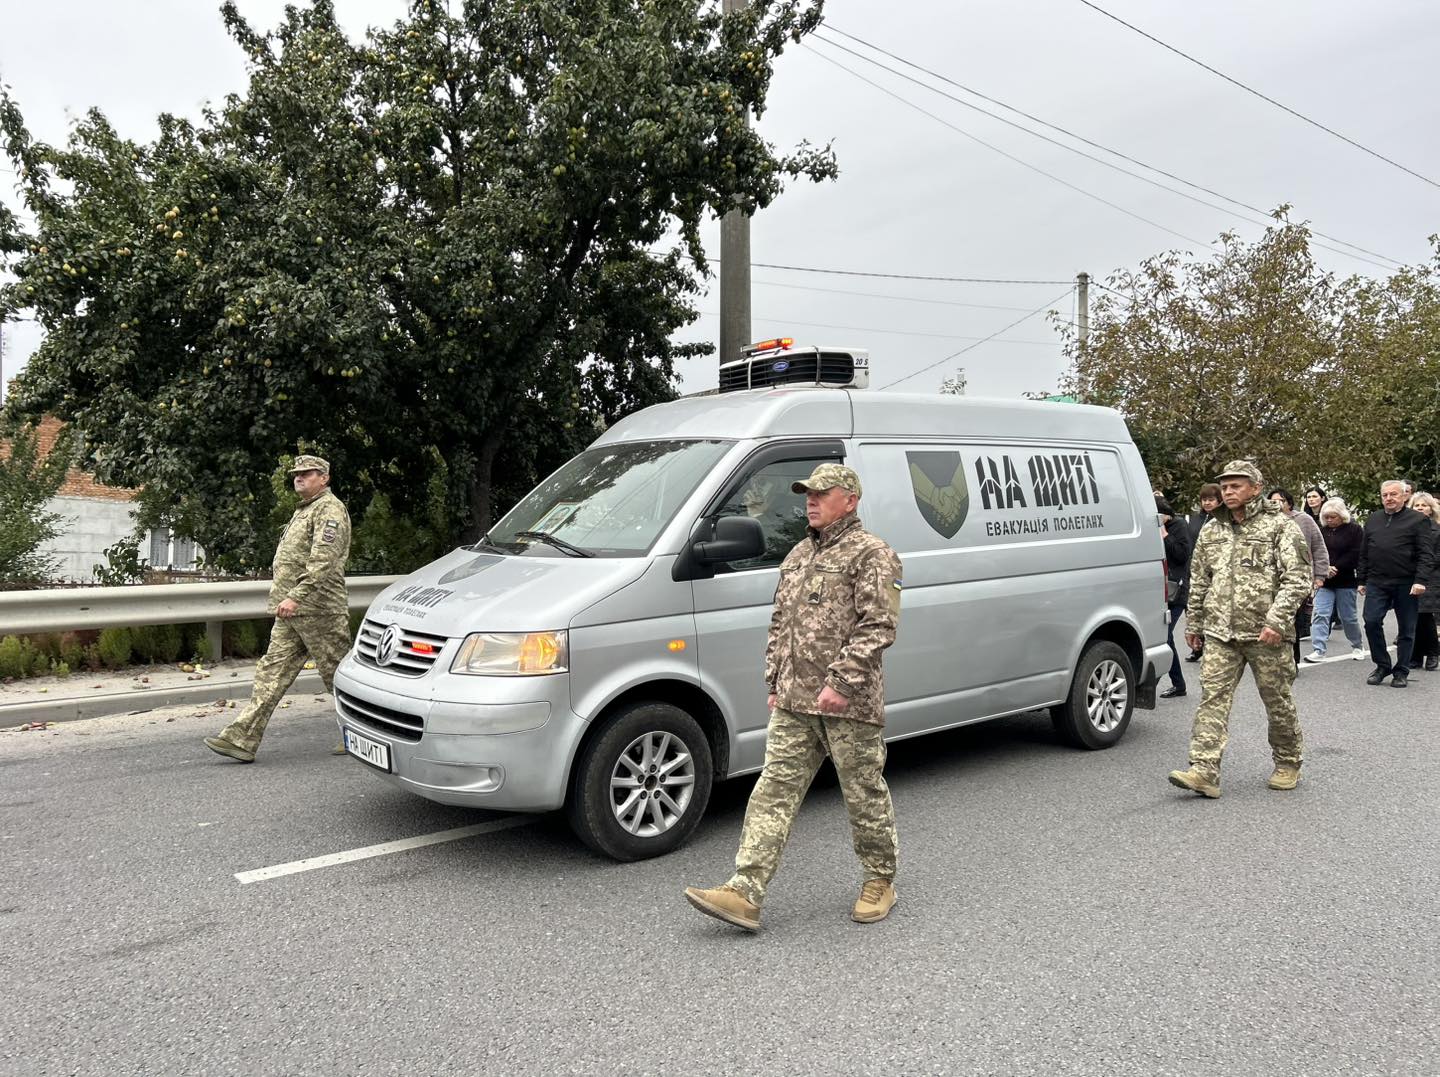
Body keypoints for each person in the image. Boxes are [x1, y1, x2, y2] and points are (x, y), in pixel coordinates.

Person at [684, 463, 903, 931]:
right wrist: (774, 682)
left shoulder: (872, 554)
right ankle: (744, 891)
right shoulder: (800, 554)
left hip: (850, 704)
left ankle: (880, 879)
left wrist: (840, 684)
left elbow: (879, 625)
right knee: (773, 790)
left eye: (822, 493)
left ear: (850, 499)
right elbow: (781, 625)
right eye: (808, 492)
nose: (811, 499)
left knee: (862, 792)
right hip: (793, 701)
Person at [1168, 461, 1310, 798]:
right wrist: (1195, 622)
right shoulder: (1212, 529)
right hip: (1220, 633)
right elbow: (1200, 578)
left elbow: (1298, 578)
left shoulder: (1280, 526)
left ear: (1256, 488)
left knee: (1278, 701)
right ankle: (1204, 770)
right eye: (1225, 486)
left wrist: (1277, 621)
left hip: (1266, 634)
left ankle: (1288, 761)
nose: (1228, 491)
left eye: (1236, 485)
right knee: (1211, 700)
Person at [204, 454, 353, 762]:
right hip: (293, 611)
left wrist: (296, 595)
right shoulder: (304, 511)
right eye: (297, 473)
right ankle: (241, 739)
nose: (299, 477)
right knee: (270, 673)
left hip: (319, 610)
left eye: (307, 473)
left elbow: (323, 562)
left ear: (324, 478)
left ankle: (359, 737)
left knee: (339, 678)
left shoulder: (330, 510)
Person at [1358, 480, 1435, 688]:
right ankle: (1382, 665)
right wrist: (1362, 579)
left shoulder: (1418, 520)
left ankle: (1401, 671)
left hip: (1407, 582)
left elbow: (1426, 554)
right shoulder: (1373, 519)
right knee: (1371, 621)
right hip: (1377, 581)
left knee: (1407, 629)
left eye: (1393, 494)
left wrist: (1421, 580)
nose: (1389, 498)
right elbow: (1364, 551)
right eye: (1385, 495)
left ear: (1404, 496)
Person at [1268, 488, 1329, 663]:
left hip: (1297, 579)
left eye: (1280, 501)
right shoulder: (1265, 522)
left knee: (1291, 620)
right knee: (1272, 619)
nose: (1276, 504)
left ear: (1289, 503)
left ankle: (1292, 659)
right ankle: (1274, 658)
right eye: (1272, 501)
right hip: (1271, 580)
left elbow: (1318, 548)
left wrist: (1320, 575)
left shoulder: (1304, 520)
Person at [1306, 498, 1366, 662]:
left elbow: (1356, 553)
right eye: (1327, 517)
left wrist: (1336, 567)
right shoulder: (1321, 530)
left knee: (1348, 617)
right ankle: (1319, 649)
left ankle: (1357, 645)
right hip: (1324, 580)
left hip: (1345, 579)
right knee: (1320, 614)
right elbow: (1315, 550)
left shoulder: (1354, 530)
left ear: (1342, 515)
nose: (1329, 520)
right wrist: (1324, 569)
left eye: (1333, 517)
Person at [1157, 496, 1192, 698]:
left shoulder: (1178, 525)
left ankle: (1178, 684)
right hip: (1159, 589)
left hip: (1176, 591)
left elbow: (1181, 554)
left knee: (1166, 635)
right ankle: (1175, 683)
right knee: (1163, 636)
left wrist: (1163, 533)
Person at [1183, 483, 1222, 662]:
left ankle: (1211, 644)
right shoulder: (1195, 519)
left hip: (1215, 570)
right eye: (1204, 500)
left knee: (1211, 608)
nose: (1207, 503)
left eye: (1211, 499)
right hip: (1195, 567)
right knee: (1194, 605)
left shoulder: (1222, 520)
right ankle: (1197, 644)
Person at [1406, 491, 1440, 672]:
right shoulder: (1408, 528)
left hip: (1431, 577)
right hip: (1410, 575)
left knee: (1425, 616)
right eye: (1416, 506)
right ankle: (1416, 655)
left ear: (1431, 508)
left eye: (1423, 506)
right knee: (1414, 617)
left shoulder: (1437, 528)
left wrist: (1424, 565)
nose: (1420, 509)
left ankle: (1433, 653)